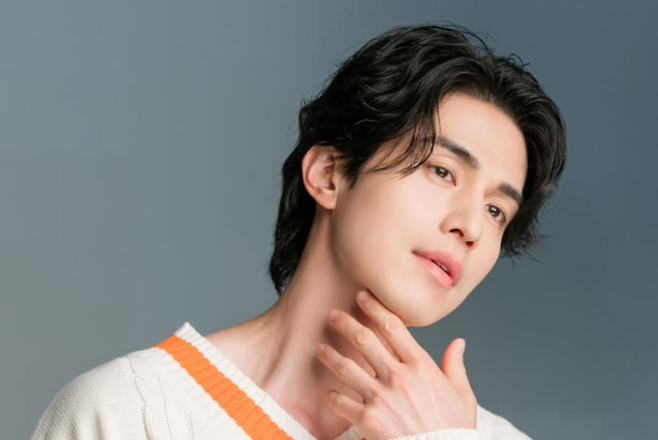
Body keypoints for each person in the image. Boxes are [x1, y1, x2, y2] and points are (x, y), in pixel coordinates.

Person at [31, 23, 566, 440]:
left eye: (497, 210)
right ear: (329, 175)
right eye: (443, 172)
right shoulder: (127, 414)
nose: (471, 227)